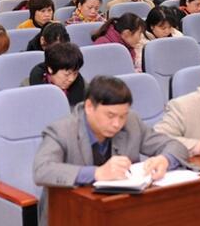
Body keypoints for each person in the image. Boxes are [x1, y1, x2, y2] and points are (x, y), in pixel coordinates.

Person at [33, 75, 189, 226]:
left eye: (123, 116)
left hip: (122, 211)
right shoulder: (62, 130)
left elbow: (175, 146)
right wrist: (96, 173)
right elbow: (42, 170)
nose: (117, 124)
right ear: (89, 107)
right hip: (70, 214)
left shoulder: (131, 121)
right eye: (110, 115)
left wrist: (165, 159)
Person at [29, 42, 85, 106]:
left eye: (75, 73)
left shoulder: (83, 86)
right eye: (67, 74)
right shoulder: (29, 88)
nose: (71, 79)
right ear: (50, 69)